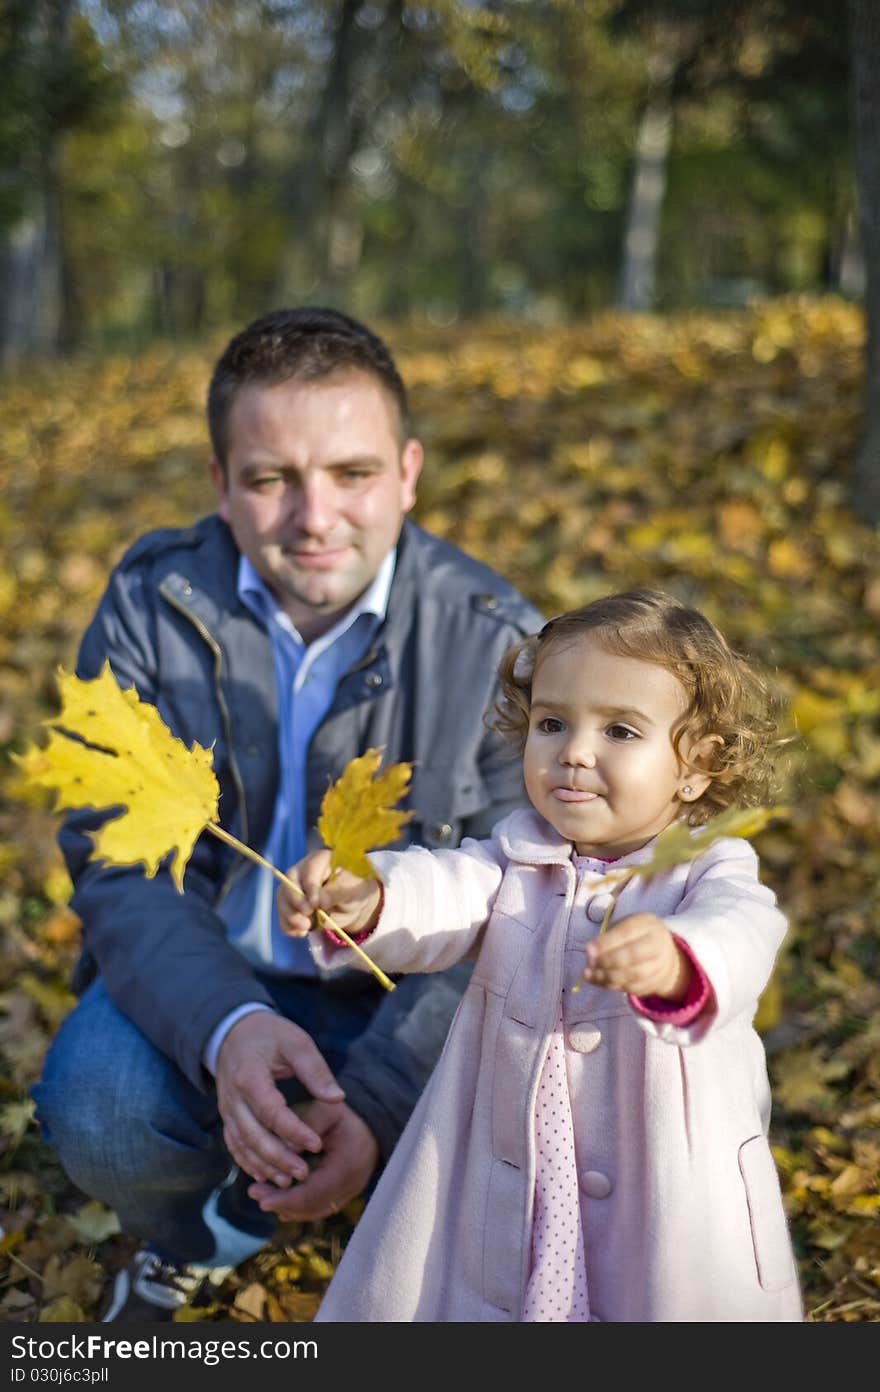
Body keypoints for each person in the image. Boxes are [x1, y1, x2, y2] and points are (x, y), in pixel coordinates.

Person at [31, 306, 544, 1322]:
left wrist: (378, 1101)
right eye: (271, 480)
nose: (314, 518)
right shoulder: (152, 603)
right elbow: (118, 864)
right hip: (206, 978)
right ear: (221, 485)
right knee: (98, 1109)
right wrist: (227, 1030)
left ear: (407, 471)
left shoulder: (495, 642)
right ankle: (210, 1233)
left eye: (351, 474)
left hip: (406, 1005)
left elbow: (524, 907)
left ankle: (366, 1186)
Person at [280, 588, 804, 1322]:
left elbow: (745, 931)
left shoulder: (707, 870)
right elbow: (445, 890)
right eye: (551, 722)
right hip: (521, 1153)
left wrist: (680, 959)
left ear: (697, 764)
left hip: (661, 1174)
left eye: (621, 730)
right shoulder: (514, 858)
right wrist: (372, 899)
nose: (575, 753)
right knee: (513, 1280)